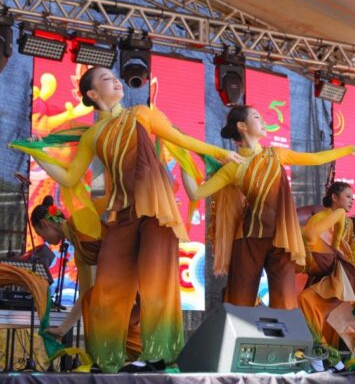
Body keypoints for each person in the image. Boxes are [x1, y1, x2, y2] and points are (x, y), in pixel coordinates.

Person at [22, 66, 242, 372]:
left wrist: (222, 153)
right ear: (92, 94)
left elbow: (179, 138)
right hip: (121, 213)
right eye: (106, 79)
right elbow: (71, 177)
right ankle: (105, 359)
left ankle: (158, 357)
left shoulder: (140, 112)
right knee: (107, 290)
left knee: (156, 284)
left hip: (154, 207)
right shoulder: (93, 135)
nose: (116, 81)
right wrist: (38, 154)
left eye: (116, 77)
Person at [182, 105, 355, 309]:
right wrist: (183, 159)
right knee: (240, 304)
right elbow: (196, 193)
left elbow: (316, 159)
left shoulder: (276, 154)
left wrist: (350, 149)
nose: (262, 121)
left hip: (282, 239)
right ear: (242, 126)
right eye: (256, 116)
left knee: (286, 305)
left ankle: (284, 341)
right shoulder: (234, 165)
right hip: (249, 238)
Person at [30, 196, 141, 360]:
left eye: (41, 234)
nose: (45, 240)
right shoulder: (80, 254)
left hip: (135, 264)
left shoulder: (79, 220)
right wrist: (62, 329)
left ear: (45, 224)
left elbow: (112, 199)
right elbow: (85, 295)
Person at [298, 182, 355, 350]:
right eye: (347, 196)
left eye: (352, 198)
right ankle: (322, 353)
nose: (351, 201)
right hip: (324, 277)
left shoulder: (348, 223)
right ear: (334, 197)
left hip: (339, 277)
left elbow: (344, 249)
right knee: (310, 305)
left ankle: (325, 354)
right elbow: (313, 242)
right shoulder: (320, 218)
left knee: (330, 315)